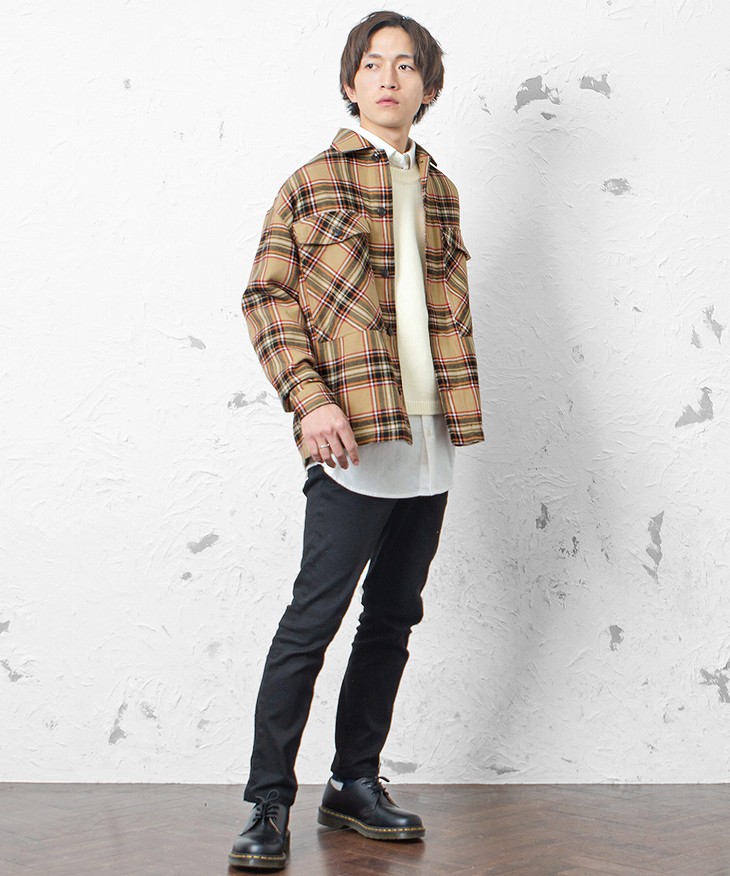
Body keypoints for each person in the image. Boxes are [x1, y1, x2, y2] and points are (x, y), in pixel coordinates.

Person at [229, 10, 484, 870]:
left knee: (393, 618)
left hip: (429, 436)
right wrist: (310, 401)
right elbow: (268, 298)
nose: (388, 78)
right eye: (372, 65)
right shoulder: (312, 182)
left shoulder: (441, 189)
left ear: (429, 86)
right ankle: (268, 800)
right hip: (351, 434)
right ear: (350, 82)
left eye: (405, 66)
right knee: (313, 620)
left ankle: (353, 783)